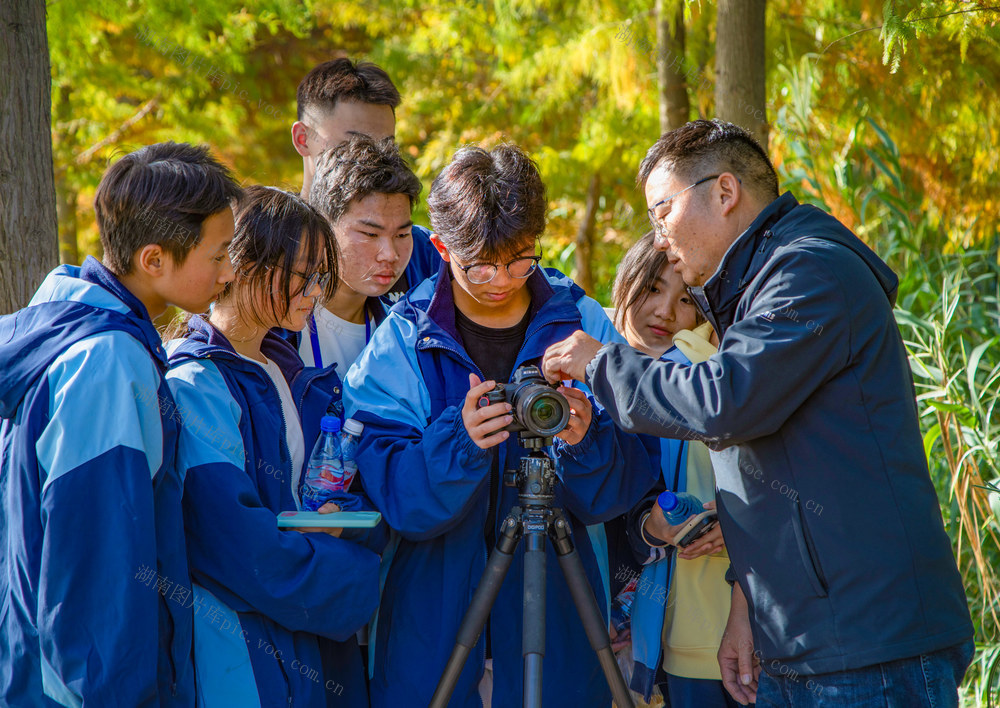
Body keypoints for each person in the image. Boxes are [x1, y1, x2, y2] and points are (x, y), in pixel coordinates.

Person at [542, 119, 974, 707]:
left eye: (663, 210)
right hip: (802, 642)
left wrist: (602, 365)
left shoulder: (809, 272)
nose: (658, 234)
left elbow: (725, 400)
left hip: (868, 647)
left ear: (724, 193)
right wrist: (748, 604)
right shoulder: (756, 289)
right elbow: (776, 474)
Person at [343, 143, 659, 708]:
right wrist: (458, 443)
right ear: (441, 247)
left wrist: (586, 441)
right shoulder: (402, 339)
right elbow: (400, 500)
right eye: (480, 265)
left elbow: (626, 485)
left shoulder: (582, 322)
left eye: (520, 259)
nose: (501, 280)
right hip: (432, 624)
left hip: (559, 619)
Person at [0, 142, 242, 706]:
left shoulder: (70, 329)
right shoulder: (106, 363)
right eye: (220, 254)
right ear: (154, 260)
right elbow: (99, 576)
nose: (230, 272)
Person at [164, 186, 383, 707]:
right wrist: (358, 577)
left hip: (299, 643)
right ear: (243, 264)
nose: (315, 291)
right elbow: (237, 543)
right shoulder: (194, 382)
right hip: (240, 650)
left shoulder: (288, 373)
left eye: (321, 276)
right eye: (303, 274)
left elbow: (311, 496)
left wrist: (338, 516)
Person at [608, 232, 737, 708]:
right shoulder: (581, 369)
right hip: (598, 618)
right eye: (651, 288)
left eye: (685, 299)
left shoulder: (702, 376)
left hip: (695, 628)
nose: (664, 311)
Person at [291, 57, 439, 304]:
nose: (372, 157)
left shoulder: (424, 254)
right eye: (352, 143)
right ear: (302, 139)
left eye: (386, 145)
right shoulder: (268, 246)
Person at [299, 135, 422, 373]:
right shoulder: (280, 327)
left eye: (402, 235)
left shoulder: (407, 328)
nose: (390, 255)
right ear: (323, 225)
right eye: (370, 234)